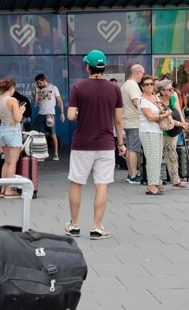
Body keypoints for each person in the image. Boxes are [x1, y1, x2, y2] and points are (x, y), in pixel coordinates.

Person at [65, 50, 125, 240]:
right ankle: (97, 227)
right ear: (104, 67)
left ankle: (74, 225)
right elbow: (119, 120)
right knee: (102, 185)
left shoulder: (78, 87)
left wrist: (79, 113)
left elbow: (70, 115)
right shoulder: (114, 89)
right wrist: (121, 143)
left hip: (82, 143)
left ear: (87, 67)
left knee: (76, 182)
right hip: (106, 144)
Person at [0, 76, 25, 199]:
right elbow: (18, 118)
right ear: (12, 88)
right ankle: (9, 190)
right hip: (13, 130)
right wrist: (21, 110)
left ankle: (3, 189)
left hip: (3, 130)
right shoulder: (12, 100)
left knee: (6, 161)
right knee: (12, 162)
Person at [137, 75, 167, 196]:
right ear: (142, 87)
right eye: (146, 84)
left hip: (157, 130)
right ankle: (151, 185)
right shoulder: (142, 100)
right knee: (152, 158)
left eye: (151, 84)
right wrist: (163, 116)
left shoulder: (155, 97)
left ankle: (156, 182)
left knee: (158, 157)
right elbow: (149, 117)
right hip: (148, 131)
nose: (149, 86)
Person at [120, 64, 145, 184]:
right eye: (142, 73)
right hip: (134, 120)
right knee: (134, 149)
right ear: (138, 72)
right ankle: (134, 174)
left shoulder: (125, 85)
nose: (143, 77)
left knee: (130, 148)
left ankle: (131, 173)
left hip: (127, 120)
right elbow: (136, 101)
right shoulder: (133, 85)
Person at [32, 73, 64, 161]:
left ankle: (56, 153)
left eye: (39, 83)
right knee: (41, 135)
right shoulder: (39, 90)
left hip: (50, 114)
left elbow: (60, 101)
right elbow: (35, 102)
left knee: (53, 134)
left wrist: (62, 113)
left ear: (43, 80)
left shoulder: (53, 88)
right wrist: (36, 91)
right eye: (37, 83)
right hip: (41, 114)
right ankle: (42, 154)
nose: (38, 85)